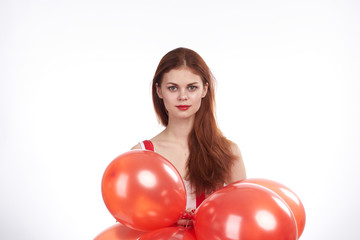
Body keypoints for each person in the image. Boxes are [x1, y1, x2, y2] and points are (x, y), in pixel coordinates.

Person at [131, 47, 246, 227]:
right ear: (159, 91)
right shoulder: (141, 154)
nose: (183, 96)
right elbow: (130, 220)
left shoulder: (228, 152)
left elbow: (242, 219)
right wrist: (168, 219)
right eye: (172, 88)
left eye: (192, 87)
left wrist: (205, 218)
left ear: (204, 89)